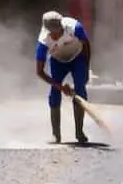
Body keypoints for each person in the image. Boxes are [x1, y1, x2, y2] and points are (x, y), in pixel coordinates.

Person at [35, 10, 91, 144]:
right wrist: (59, 87)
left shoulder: (75, 27)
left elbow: (87, 45)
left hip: (78, 58)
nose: (57, 34)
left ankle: (79, 132)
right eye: (54, 33)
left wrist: (86, 68)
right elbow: (39, 72)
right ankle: (56, 134)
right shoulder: (43, 43)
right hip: (58, 61)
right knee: (54, 94)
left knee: (80, 89)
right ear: (48, 31)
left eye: (59, 30)